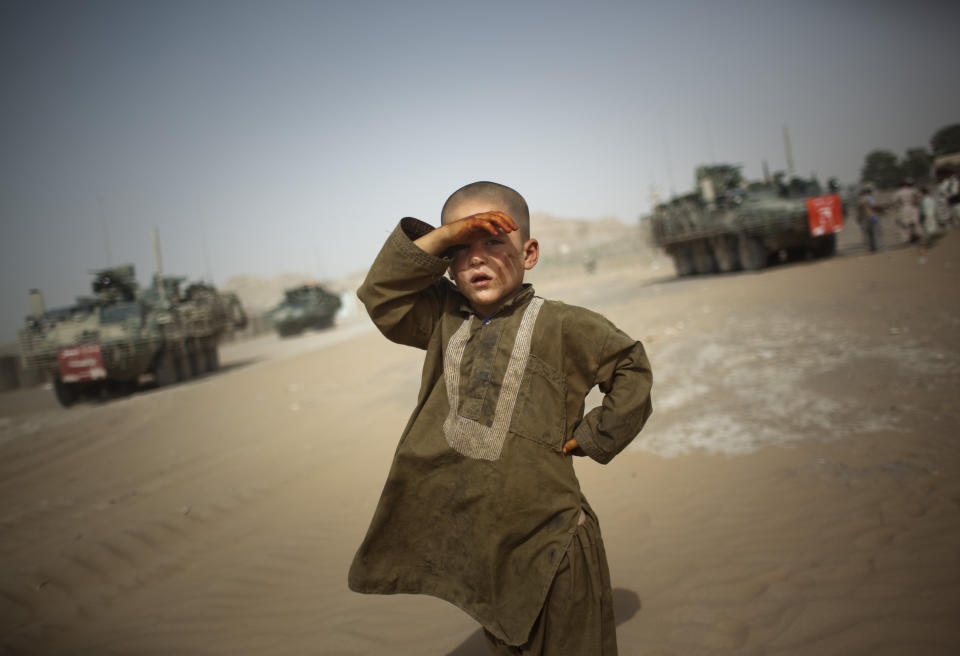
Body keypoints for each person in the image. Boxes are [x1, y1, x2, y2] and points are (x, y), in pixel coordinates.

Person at [348, 181, 653, 655]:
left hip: (553, 548)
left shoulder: (565, 324)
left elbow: (631, 365)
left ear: (529, 253)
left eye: (494, 241)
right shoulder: (441, 320)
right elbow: (381, 294)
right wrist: (442, 236)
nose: (476, 258)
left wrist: (597, 436)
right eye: (461, 247)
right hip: (486, 554)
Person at [893, 178, 922, 244]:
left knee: (906, 225)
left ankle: (909, 239)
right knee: (915, 223)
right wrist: (915, 202)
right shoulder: (913, 190)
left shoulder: (898, 192)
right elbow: (919, 196)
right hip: (913, 207)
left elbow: (894, 201)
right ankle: (918, 237)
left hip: (904, 208)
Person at [856, 184, 882, 252]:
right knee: (875, 233)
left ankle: (870, 248)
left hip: (864, 218)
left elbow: (859, 210)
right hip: (872, 217)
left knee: (867, 234)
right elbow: (874, 206)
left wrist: (858, 218)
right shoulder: (869, 198)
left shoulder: (860, 199)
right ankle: (875, 247)